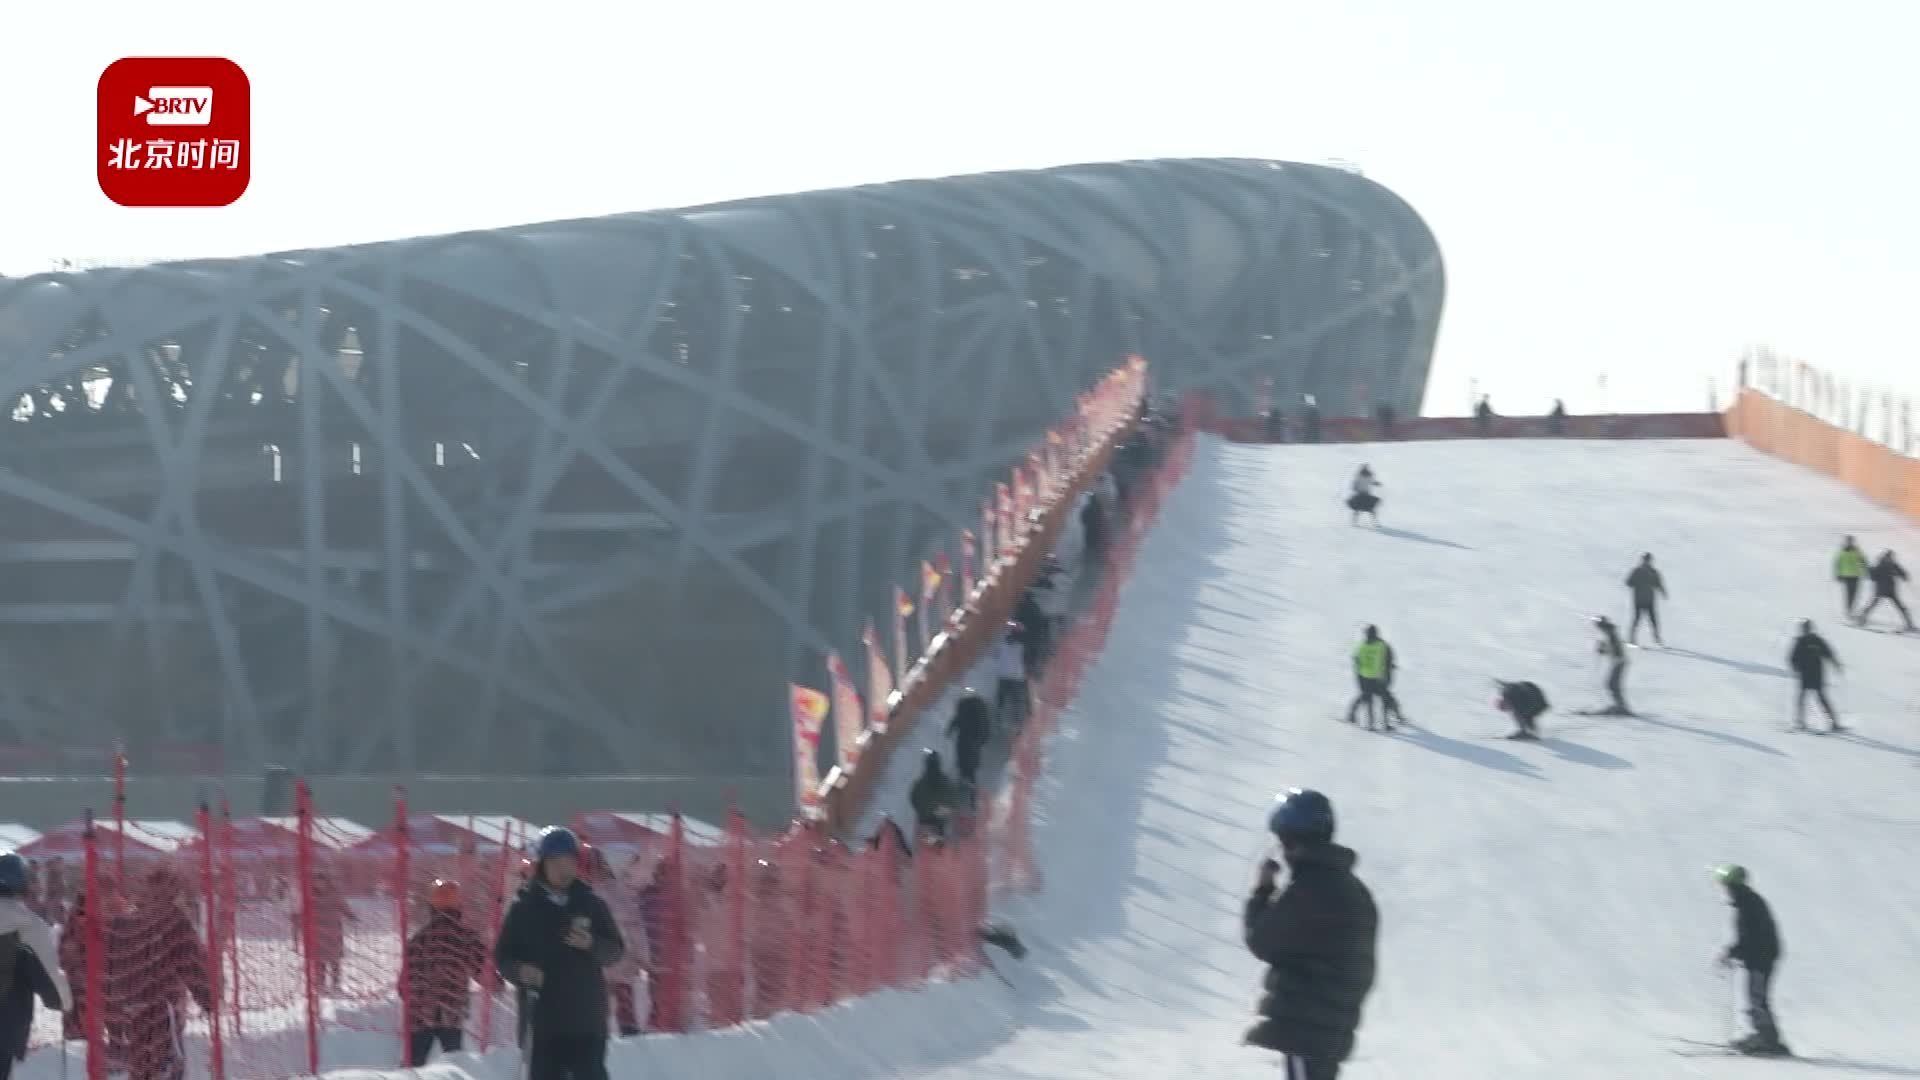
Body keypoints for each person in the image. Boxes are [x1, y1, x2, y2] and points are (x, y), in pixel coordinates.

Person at [1243, 789, 1378, 1080]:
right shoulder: (1351, 888)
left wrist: (1263, 890)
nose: (1282, 850)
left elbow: (1262, 940)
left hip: (1308, 1026)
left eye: (1283, 841)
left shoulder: (1309, 887)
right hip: (1331, 1024)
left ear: (1293, 839)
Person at [495, 826, 626, 1080]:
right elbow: (503, 956)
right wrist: (520, 971)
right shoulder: (524, 907)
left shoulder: (591, 903)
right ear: (543, 864)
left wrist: (591, 943)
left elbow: (615, 951)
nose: (564, 867)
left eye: (569, 860)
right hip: (542, 1023)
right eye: (556, 861)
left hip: (586, 1022)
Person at [405, 879, 488, 1066]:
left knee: (413, 1064)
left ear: (431, 905)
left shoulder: (419, 938)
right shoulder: (466, 937)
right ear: (459, 905)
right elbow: (483, 971)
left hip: (420, 1012)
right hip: (451, 1010)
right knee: (454, 1064)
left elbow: (404, 984)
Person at [1714, 865, 1789, 1057]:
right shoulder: (1747, 901)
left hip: (1761, 957)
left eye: (1725, 885)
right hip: (1759, 955)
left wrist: (1731, 952)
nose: (1723, 890)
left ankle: (1767, 1040)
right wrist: (1735, 952)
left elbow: (1750, 937)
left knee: (1757, 998)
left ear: (1732, 886)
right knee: (1755, 997)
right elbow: (1749, 937)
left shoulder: (1748, 904)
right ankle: (1762, 1035)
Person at [1786, 620, 1842, 732]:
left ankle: (1834, 723)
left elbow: (1829, 653)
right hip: (1806, 674)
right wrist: (1796, 668)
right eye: (1805, 629)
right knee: (1803, 698)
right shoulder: (1800, 642)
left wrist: (1836, 664)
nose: (1806, 631)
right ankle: (1800, 722)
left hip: (1816, 674)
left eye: (1807, 629)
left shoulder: (1817, 641)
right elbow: (1792, 658)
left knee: (1820, 698)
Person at [1344, 626, 1394, 731]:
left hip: (1364, 677)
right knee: (1385, 698)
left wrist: (1359, 676)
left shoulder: (1362, 646)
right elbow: (1387, 660)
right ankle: (1386, 724)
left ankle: (1370, 724)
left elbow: (1356, 660)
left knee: (1368, 699)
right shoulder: (1381, 645)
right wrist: (1387, 674)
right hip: (1378, 677)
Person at [1855, 549, 1914, 631]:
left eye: (1891, 557)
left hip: (1891, 591)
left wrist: (1904, 576)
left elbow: (1901, 571)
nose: (1890, 559)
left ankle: (1909, 624)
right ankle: (1862, 619)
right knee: (1872, 605)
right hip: (1881, 590)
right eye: (1889, 557)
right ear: (1885, 557)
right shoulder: (1880, 565)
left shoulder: (1893, 565)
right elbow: (1873, 577)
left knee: (1901, 607)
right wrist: (1869, 570)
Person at [946, 691, 992, 793]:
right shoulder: (979, 707)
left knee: (964, 762)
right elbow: (985, 725)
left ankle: (965, 782)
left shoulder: (964, 706)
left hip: (964, 739)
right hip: (974, 740)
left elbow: (957, 719)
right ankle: (970, 787)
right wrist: (983, 740)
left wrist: (950, 729)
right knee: (971, 765)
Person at [908, 749, 959, 843]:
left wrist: (923, 811)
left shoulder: (919, 784)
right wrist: (941, 813)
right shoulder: (946, 782)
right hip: (938, 820)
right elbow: (952, 801)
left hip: (924, 819)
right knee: (940, 838)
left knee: (924, 841)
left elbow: (913, 799)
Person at [992, 620, 1030, 733]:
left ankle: (999, 720)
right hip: (1016, 676)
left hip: (1005, 675)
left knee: (1001, 700)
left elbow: (995, 655)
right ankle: (1018, 723)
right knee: (1016, 701)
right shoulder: (1022, 645)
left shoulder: (1002, 644)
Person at [1624, 553, 1666, 647]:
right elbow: (1628, 582)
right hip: (1639, 600)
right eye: (1646, 560)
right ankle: (1631, 638)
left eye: (1648, 560)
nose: (1647, 562)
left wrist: (1663, 592)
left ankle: (1657, 639)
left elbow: (1658, 584)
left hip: (1648, 600)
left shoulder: (1653, 572)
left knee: (1653, 620)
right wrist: (1635, 583)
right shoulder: (1637, 571)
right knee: (1637, 619)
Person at [1592, 615, 1631, 715]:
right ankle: (1620, 705)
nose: (1597, 628)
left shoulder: (1610, 633)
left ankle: (1621, 706)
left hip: (1619, 661)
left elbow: (1615, 648)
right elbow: (1611, 648)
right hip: (1618, 661)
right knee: (1611, 684)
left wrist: (1602, 649)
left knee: (1612, 684)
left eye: (1598, 625)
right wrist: (1602, 648)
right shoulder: (1609, 632)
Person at [1833, 536, 1868, 617]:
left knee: (1855, 593)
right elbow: (1837, 563)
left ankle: (1851, 609)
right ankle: (1849, 610)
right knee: (1849, 593)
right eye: (1848, 541)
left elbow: (1863, 560)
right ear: (1846, 542)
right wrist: (1838, 574)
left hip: (1856, 575)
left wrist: (1865, 569)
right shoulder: (1841, 551)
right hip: (1846, 575)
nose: (1850, 543)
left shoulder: (1857, 550)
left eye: (1851, 541)